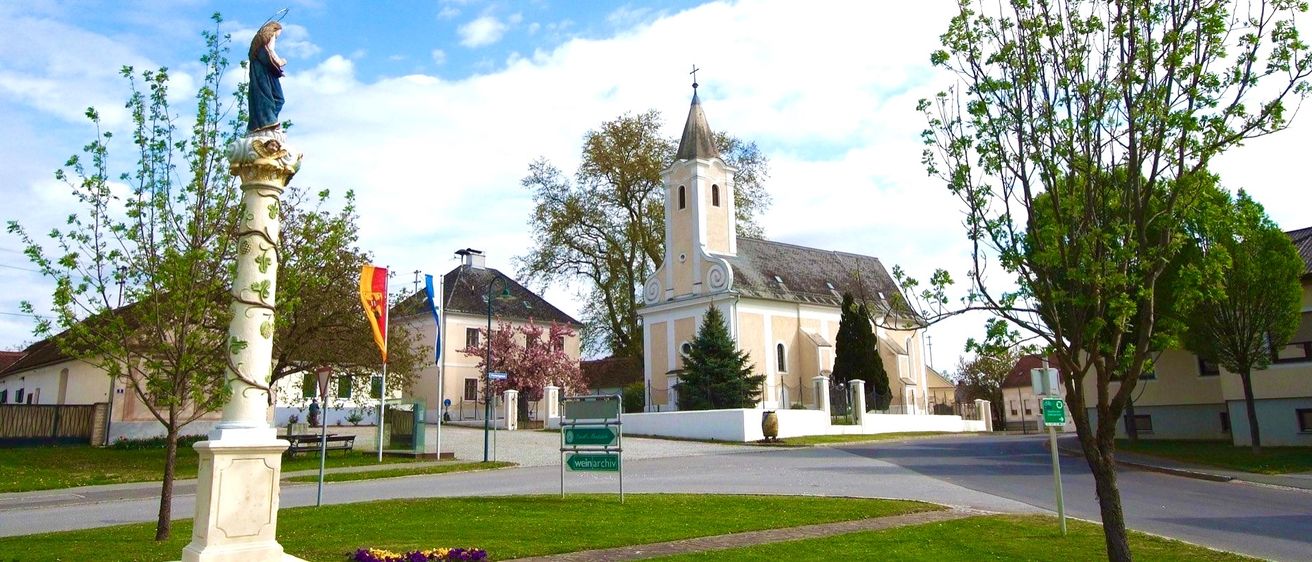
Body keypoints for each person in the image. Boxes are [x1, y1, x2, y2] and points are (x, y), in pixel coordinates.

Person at [247, 21, 286, 132]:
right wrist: (280, 62)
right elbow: (270, 52)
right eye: (278, 34)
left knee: (265, 98)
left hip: (262, 75)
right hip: (267, 76)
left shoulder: (257, 46)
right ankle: (268, 122)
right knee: (278, 99)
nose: (277, 37)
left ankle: (264, 122)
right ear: (274, 30)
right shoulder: (268, 38)